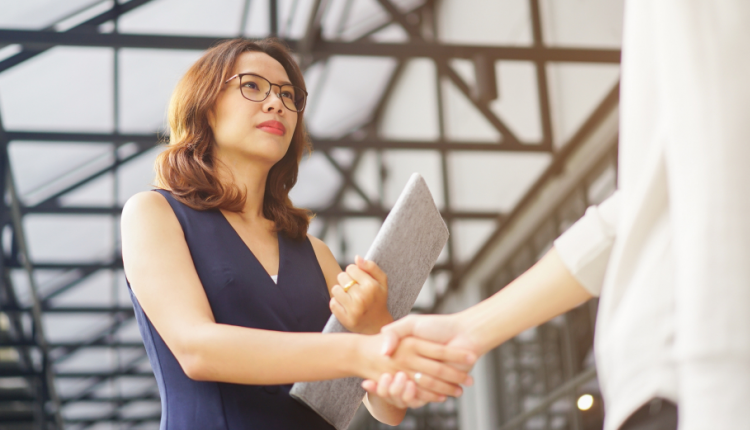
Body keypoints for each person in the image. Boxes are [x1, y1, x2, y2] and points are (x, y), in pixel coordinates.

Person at [365, 2, 750, 429]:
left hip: (693, 380)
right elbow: (645, 206)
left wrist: (720, 388)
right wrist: (468, 329)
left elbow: (718, 164)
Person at [120, 38, 476, 430]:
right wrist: (359, 349)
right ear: (205, 105)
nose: (277, 104)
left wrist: (377, 324)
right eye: (252, 86)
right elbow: (197, 350)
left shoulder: (315, 253)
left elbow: (388, 410)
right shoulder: (154, 213)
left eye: (289, 95)